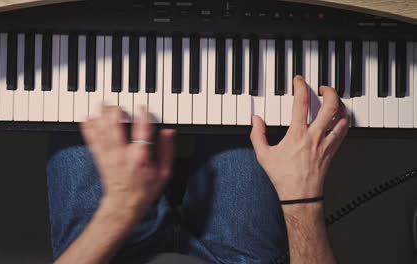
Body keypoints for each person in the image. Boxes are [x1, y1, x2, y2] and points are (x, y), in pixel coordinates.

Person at [46, 76, 349, 264]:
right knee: (253, 106)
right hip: (237, 258)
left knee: (81, 104)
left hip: (110, 255)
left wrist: (119, 210)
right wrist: (302, 197)